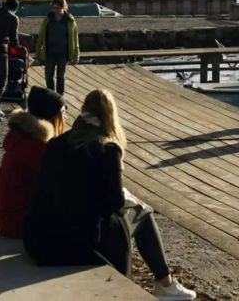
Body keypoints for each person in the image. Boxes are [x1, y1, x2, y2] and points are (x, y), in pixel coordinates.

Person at [23, 89, 196, 300]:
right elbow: (112, 204)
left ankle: (165, 284)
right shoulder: (107, 148)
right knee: (143, 214)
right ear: (110, 116)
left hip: (41, 240)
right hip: (78, 244)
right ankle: (166, 284)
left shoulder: (56, 144)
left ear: (83, 112)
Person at [0, 87, 66, 238]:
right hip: (18, 221)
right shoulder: (35, 146)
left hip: (7, 215)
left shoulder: (21, 136)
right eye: (63, 113)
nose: (65, 118)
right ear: (52, 116)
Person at [36, 0, 80, 95]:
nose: (55, 10)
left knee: (61, 76)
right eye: (53, 7)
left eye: (57, 8)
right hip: (49, 52)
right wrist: (38, 53)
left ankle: (60, 96)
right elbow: (41, 37)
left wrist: (76, 55)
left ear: (63, 7)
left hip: (63, 53)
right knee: (48, 75)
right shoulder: (47, 19)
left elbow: (75, 38)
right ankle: (51, 95)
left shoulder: (70, 20)